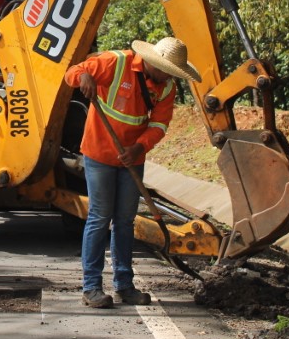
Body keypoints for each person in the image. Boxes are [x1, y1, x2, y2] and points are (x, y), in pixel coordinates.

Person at [64, 36, 200, 309]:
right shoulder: (116, 62)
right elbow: (72, 72)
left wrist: (139, 148)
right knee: (100, 218)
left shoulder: (165, 87)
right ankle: (91, 288)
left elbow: (160, 124)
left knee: (125, 220)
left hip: (131, 159)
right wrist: (84, 78)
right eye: (166, 71)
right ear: (152, 62)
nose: (168, 77)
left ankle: (124, 285)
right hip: (99, 154)